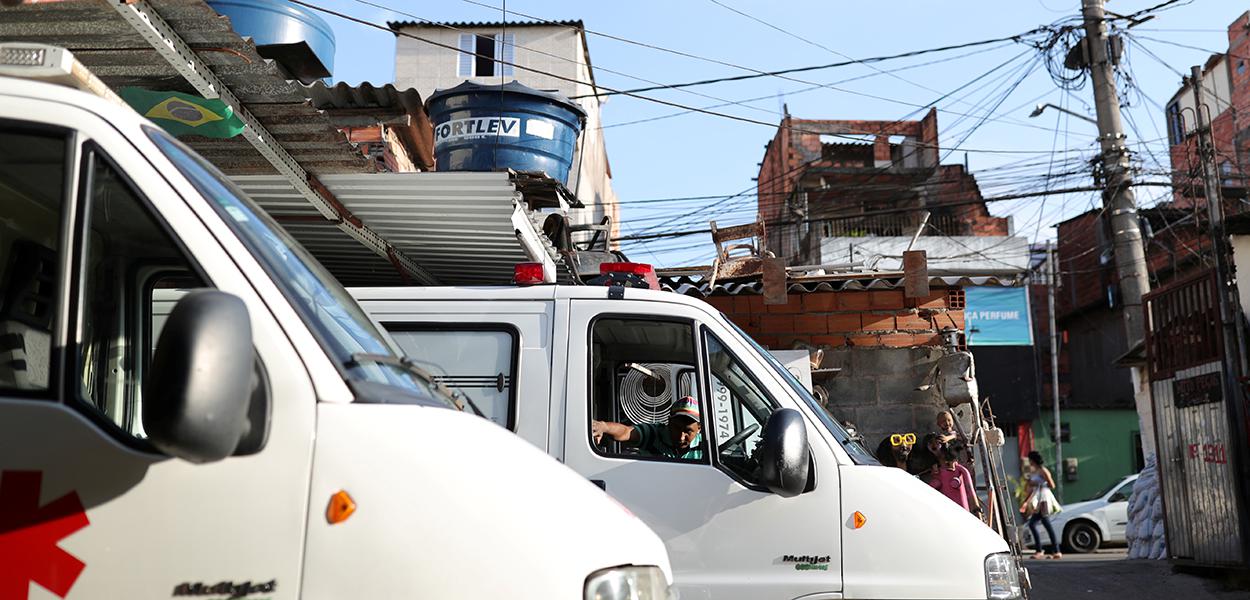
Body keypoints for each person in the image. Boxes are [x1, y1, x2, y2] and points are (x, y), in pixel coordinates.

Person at [591, 396, 705, 460]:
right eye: (676, 428)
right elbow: (626, 432)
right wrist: (604, 427)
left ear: (699, 428)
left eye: (688, 431)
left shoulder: (705, 446)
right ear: (669, 422)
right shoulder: (654, 434)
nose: (681, 437)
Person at [1021, 451, 1062, 559]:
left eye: (1029, 459)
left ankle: (1047, 551)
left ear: (1033, 460)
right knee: (1037, 524)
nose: (1028, 462)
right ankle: (1051, 551)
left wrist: (1037, 483)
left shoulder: (1043, 470)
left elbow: (1052, 485)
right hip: (1038, 500)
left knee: (1040, 524)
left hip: (1044, 500)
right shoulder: (1035, 471)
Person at [928, 440, 982, 516]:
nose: (951, 466)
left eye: (951, 462)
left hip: (962, 507)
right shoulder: (937, 472)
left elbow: (970, 490)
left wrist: (976, 508)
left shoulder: (960, 470)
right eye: (947, 463)